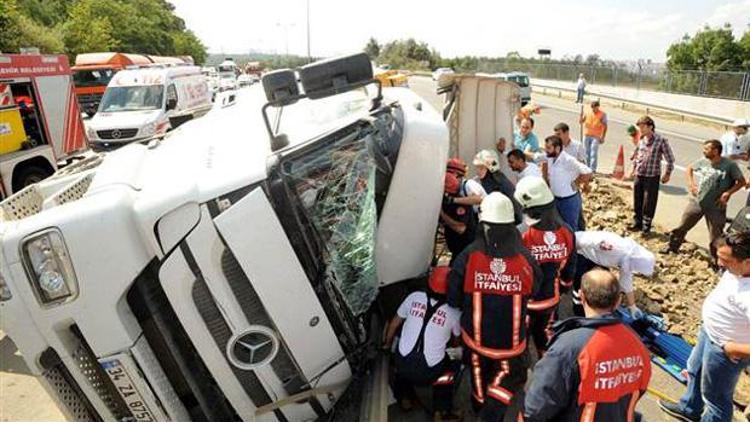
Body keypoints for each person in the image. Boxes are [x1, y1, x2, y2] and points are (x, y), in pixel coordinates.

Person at [448, 192, 542, 421]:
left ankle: (480, 406)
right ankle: (493, 410)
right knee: (508, 375)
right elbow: (535, 289)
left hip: (476, 339)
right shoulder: (525, 260)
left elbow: (453, 293)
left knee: (478, 373)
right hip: (510, 343)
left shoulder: (469, 255)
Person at [524, 269, 652, 421]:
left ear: (581, 296)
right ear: (618, 301)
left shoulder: (568, 348)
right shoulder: (637, 344)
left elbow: (536, 406)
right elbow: (640, 388)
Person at [659, 232, 750, 422]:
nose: (719, 263)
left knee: (716, 399)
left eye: (725, 260)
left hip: (724, 351)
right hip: (709, 333)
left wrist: (733, 349)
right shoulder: (738, 271)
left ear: (747, 262)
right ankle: (689, 408)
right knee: (694, 370)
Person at [384, 266, 462, 421]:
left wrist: (387, 346)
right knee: (453, 363)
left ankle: (405, 398)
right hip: (429, 372)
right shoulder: (454, 312)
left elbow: (393, 325)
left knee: (401, 345)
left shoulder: (414, 297)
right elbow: (456, 343)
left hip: (402, 365)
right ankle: (441, 409)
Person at [514, 177, 576, 357]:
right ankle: (546, 371)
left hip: (525, 303)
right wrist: (563, 287)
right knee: (546, 342)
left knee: (520, 343)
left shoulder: (521, 234)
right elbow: (569, 271)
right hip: (551, 301)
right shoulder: (566, 231)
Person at [662, 140, 745, 260]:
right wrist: (691, 185)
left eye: (707, 149)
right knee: (683, 226)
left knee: (716, 235)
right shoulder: (704, 161)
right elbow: (689, 169)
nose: (703, 151)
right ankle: (672, 246)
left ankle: (716, 260)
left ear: (715, 151)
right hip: (698, 202)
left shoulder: (729, 165)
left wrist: (728, 193)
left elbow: (741, 181)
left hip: (716, 206)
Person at [574, 230, 655, 318]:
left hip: (597, 260)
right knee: (581, 283)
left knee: (604, 284)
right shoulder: (615, 247)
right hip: (580, 253)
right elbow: (585, 239)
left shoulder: (628, 260)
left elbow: (626, 282)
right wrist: (569, 250)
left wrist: (632, 306)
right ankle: (579, 314)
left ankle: (596, 309)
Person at [628, 115, 675, 235]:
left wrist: (667, 174)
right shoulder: (642, 139)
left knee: (649, 201)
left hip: (652, 175)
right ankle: (637, 222)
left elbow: (670, 159)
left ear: (651, 127)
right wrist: (633, 169)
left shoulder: (661, 140)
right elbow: (638, 155)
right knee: (637, 198)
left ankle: (646, 225)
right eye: (639, 127)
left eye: (643, 127)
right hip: (640, 173)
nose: (641, 130)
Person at [542, 135, 593, 231]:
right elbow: (536, 157)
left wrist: (576, 182)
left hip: (569, 201)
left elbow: (588, 172)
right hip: (556, 200)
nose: (546, 150)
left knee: (570, 229)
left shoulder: (568, 160)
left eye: (548, 148)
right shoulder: (550, 157)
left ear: (557, 148)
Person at [473, 150, 522, 223]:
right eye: (477, 167)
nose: (478, 171)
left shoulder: (496, 183)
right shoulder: (485, 180)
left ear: (490, 168)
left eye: (481, 168)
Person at [441, 173, 479, 264]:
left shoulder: (460, 204)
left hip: (464, 250)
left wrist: (442, 214)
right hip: (457, 249)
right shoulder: (446, 203)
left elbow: (460, 229)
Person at [578, 100, 607, 172]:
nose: (593, 109)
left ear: (598, 107)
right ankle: (586, 167)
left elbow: (605, 126)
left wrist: (603, 137)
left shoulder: (602, 114)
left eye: (595, 107)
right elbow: (581, 121)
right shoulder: (588, 113)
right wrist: (580, 116)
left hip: (596, 136)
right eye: (592, 108)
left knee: (593, 153)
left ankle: (593, 169)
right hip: (587, 134)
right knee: (586, 152)